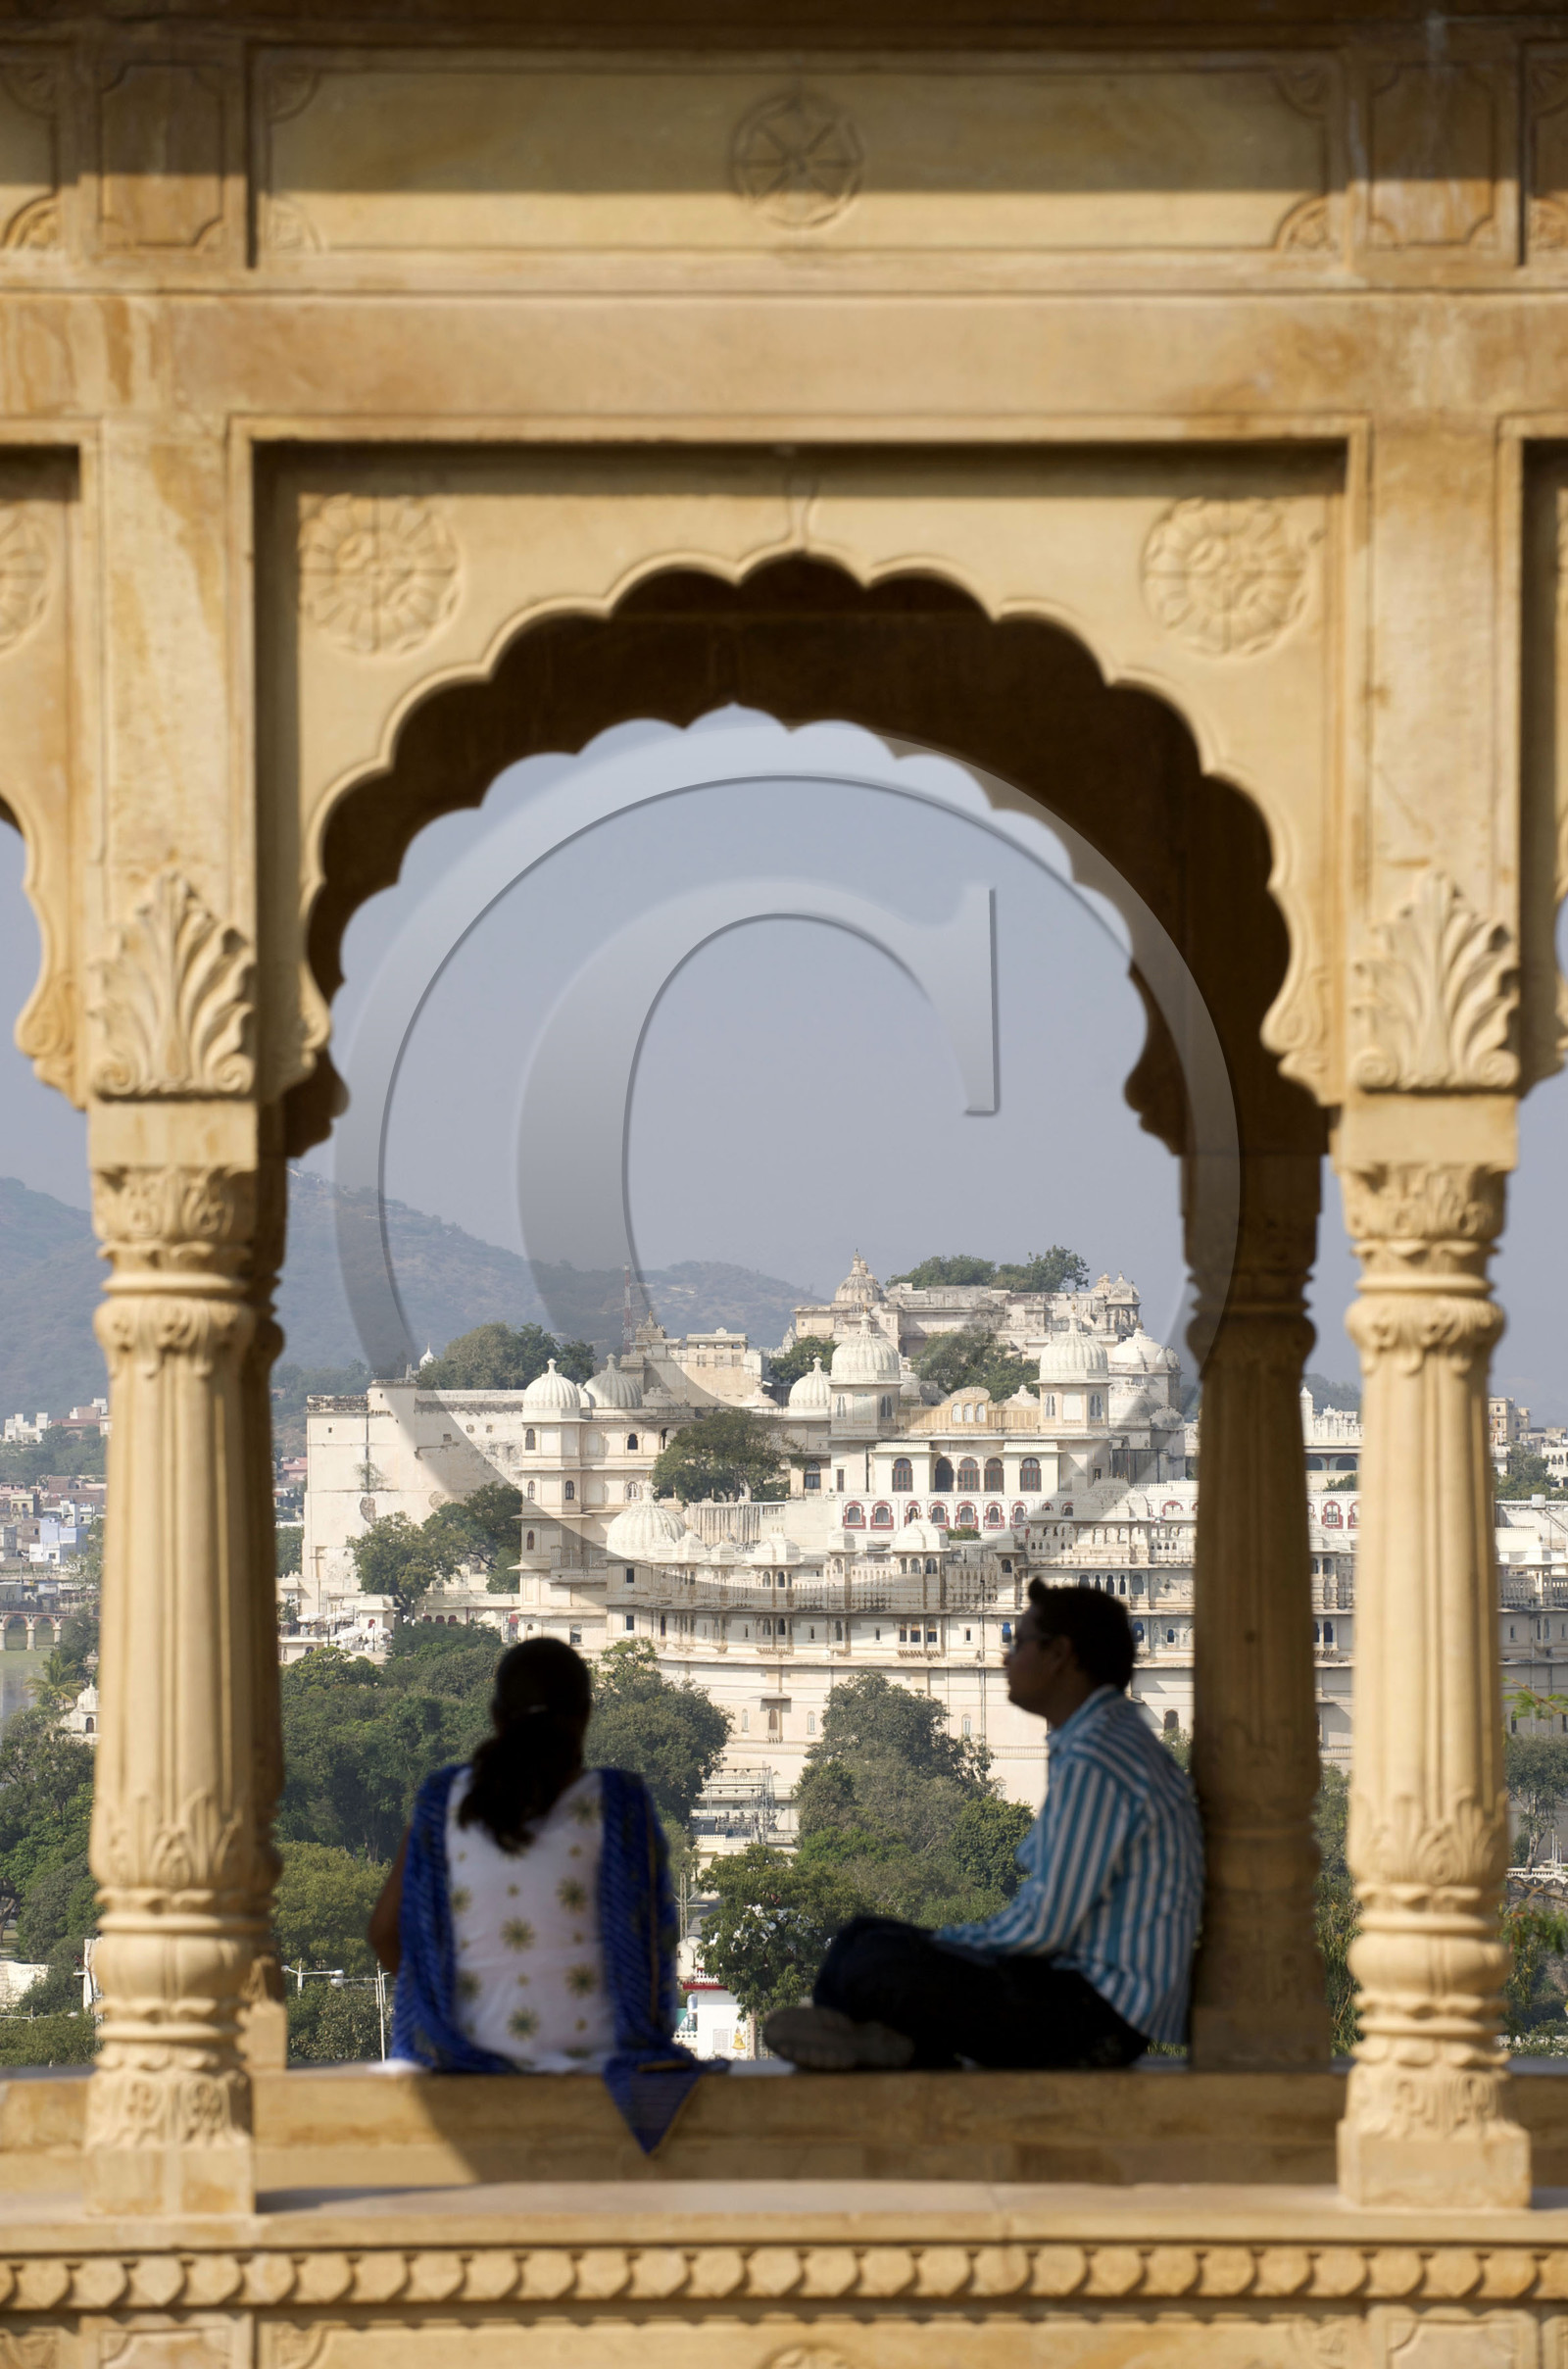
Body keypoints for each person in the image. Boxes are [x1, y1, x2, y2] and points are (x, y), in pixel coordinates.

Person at [763, 1581, 1202, 2072]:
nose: (1006, 1657)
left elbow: (1046, 1925)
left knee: (871, 1962)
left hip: (1091, 2021)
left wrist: (945, 1945)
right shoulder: (1103, 1742)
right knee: (861, 1939)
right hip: (1086, 2002)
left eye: (1018, 1643)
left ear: (1059, 1655)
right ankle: (881, 2044)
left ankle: (877, 2046)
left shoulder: (1101, 1757)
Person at [368, 1635, 704, 2151]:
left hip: (465, 2075)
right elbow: (652, 1954)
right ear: (586, 1716)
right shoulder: (618, 1806)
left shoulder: (444, 1803)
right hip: (603, 2088)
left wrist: (439, 1995)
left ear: (496, 1716)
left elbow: (385, 1933)